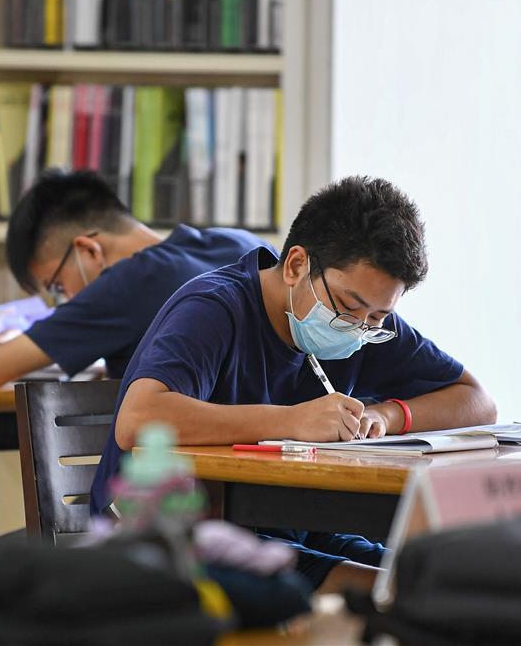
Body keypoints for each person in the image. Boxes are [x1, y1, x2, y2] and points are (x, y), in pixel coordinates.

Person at [90, 175, 498, 593]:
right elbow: (137, 419)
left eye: (378, 317)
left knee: (443, 576)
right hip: (179, 538)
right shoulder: (214, 308)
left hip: (295, 526)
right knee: (398, 594)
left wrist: (387, 416)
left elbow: (477, 401)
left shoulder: (363, 323)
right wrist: (292, 421)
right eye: (350, 306)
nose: (358, 328)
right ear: (296, 266)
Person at [0, 170, 269, 388]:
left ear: (88, 250)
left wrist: (10, 329)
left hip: (177, 453)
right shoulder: (244, 244)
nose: (67, 300)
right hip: (275, 445)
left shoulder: (127, 283)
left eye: (58, 286)